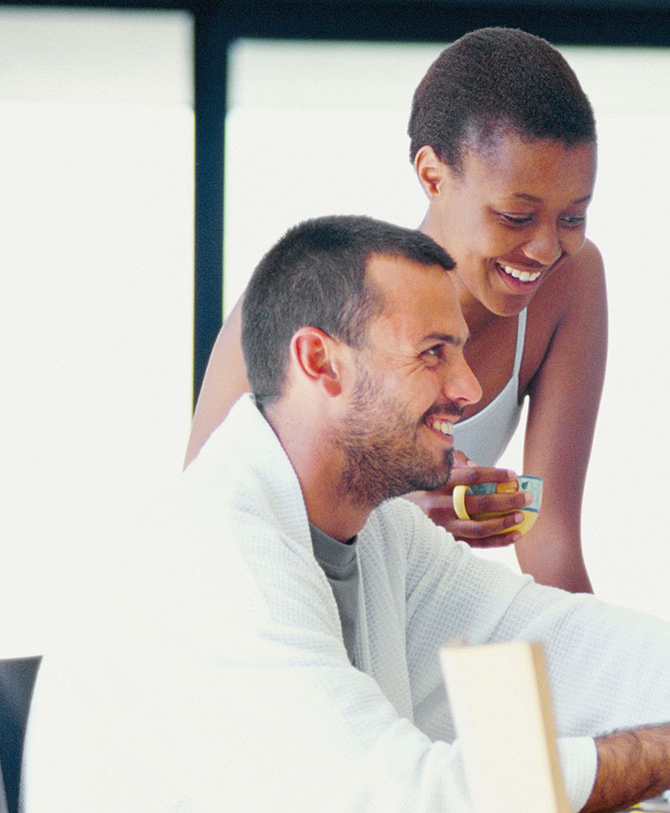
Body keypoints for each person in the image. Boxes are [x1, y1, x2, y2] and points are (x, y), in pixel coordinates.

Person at [21, 216, 670, 813]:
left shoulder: (371, 533)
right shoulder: (212, 557)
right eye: (434, 354)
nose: (469, 390)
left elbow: (556, 637)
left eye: (463, 352)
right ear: (321, 362)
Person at [186, 27, 605, 594]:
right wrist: (391, 518)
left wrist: (618, 673)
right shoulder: (306, 303)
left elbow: (548, 537)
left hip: (403, 619)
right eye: (515, 217)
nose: (545, 248)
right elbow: (199, 522)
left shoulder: (570, 282)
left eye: (573, 218)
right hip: (273, 611)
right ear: (432, 175)